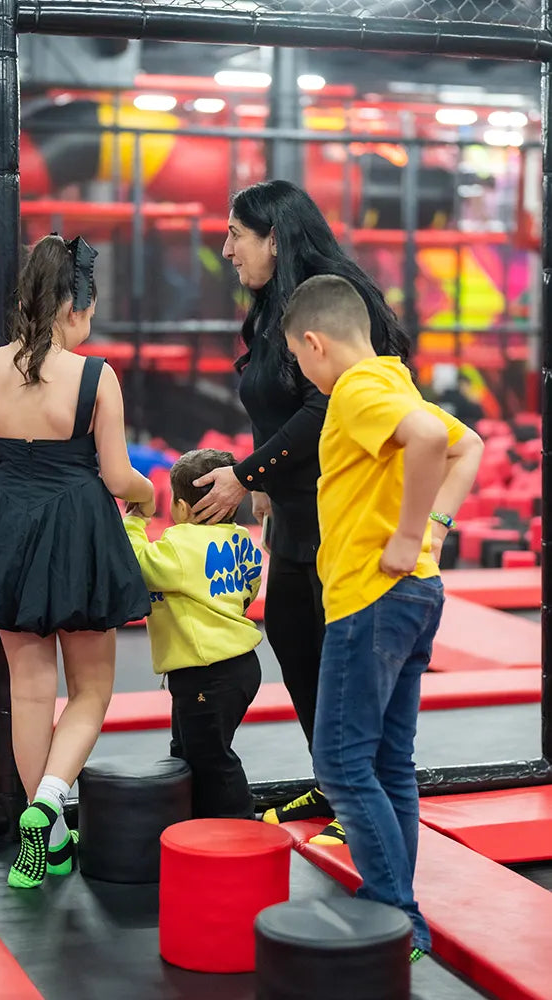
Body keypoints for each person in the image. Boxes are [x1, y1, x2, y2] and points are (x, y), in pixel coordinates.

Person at [0, 234, 154, 888]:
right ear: (75, 309)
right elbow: (116, 477)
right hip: (76, 530)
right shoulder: (93, 375)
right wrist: (151, 493)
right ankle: (52, 796)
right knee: (91, 690)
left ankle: (43, 832)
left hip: (5, 526)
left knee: (29, 690)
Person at [191, 179, 410, 831]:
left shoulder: (332, 298)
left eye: (235, 233)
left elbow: (328, 406)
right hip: (294, 516)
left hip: (346, 517)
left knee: (347, 666)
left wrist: (245, 473)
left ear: (274, 237)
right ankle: (335, 783)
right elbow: (282, 403)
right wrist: (265, 484)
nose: (226, 248)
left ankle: (363, 799)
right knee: (295, 645)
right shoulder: (272, 309)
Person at [282, 273, 483, 961]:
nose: (303, 374)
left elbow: (431, 437)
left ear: (314, 344)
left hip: (371, 597)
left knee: (339, 765)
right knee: (389, 762)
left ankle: (397, 913)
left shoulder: (357, 390)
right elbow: (468, 445)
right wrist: (435, 527)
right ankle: (402, 914)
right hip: (413, 597)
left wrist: (407, 534)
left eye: (298, 360)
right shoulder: (394, 381)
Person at [124, 448, 263, 819]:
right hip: (238, 667)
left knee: (211, 758)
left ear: (183, 508)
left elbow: (137, 563)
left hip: (208, 671)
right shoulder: (241, 540)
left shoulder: (182, 545)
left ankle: (240, 826)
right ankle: (195, 822)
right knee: (188, 749)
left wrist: (136, 521)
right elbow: (247, 591)